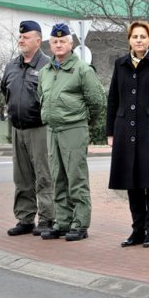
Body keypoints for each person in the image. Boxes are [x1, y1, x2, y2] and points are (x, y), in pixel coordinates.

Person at [106, 21, 149, 248]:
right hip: (126, 129)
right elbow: (113, 99)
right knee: (132, 183)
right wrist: (110, 131)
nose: (138, 40)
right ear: (129, 39)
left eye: (142, 36)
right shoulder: (121, 64)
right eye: (135, 36)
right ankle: (137, 230)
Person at [37, 23, 105, 241]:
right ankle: (62, 221)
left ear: (71, 43)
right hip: (53, 129)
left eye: (62, 41)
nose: (58, 44)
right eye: (55, 41)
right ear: (50, 44)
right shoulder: (45, 72)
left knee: (76, 177)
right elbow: (42, 97)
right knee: (58, 177)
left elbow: (97, 101)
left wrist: (84, 123)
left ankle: (80, 223)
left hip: (74, 128)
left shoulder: (82, 69)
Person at [0, 20, 55, 236]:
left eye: (26, 37)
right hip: (18, 128)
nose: (21, 39)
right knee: (21, 177)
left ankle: (48, 218)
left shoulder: (47, 66)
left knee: (44, 175)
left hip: (40, 128)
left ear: (38, 40)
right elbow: (6, 91)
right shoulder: (11, 65)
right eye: (20, 36)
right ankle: (25, 218)